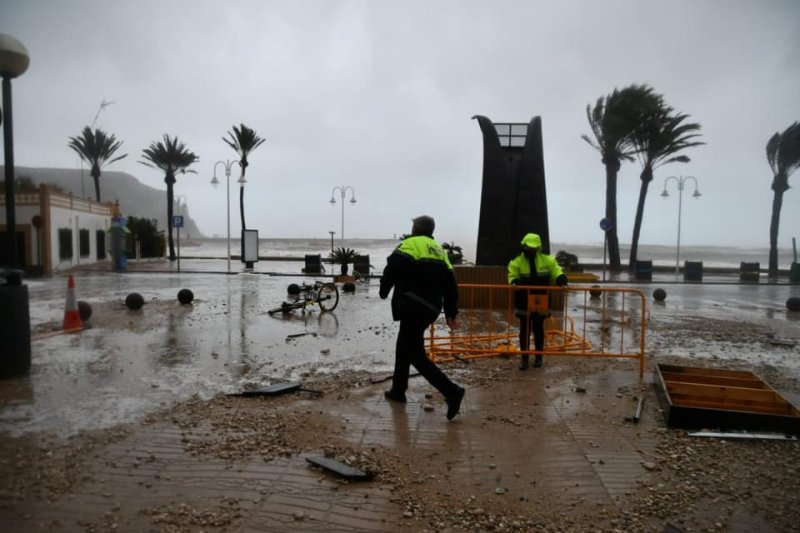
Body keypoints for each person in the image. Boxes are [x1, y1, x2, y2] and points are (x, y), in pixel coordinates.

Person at [379, 215, 465, 420]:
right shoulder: (438, 250)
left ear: (416, 229)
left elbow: (392, 267)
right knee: (404, 345)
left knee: (415, 355)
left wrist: (384, 290)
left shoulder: (409, 244)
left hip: (412, 304)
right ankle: (398, 391)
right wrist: (451, 312)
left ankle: (452, 392)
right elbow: (451, 285)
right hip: (431, 308)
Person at [507, 233, 567, 370]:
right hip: (523, 300)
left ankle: (539, 356)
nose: (530, 251)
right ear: (523, 246)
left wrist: (560, 277)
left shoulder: (547, 260)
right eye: (528, 248)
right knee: (524, 329)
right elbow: (512, 274)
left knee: (538, 328)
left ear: (538, 248)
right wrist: (514, 281)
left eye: (532, 249)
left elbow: (556, 270)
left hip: (541, 300)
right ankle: (524, 357)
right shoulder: (516, 262)